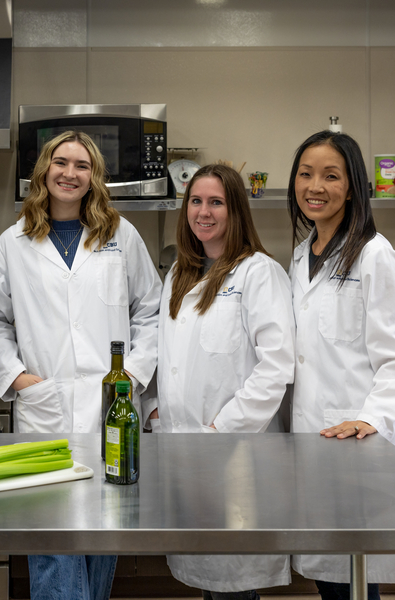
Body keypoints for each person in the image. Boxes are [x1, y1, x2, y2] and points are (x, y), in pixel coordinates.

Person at [0, 130, 161, 600]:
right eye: (61, 162)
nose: (70, 173)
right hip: (45, 404)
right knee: (53, 533)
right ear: (44, 170)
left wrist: (132, 377)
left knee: (105, 530)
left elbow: (151, 310)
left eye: (82, 165)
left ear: (93, 176)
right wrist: (18, 379)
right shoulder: (12, 242)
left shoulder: (122, 236)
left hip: (112, 409)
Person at [144, 164, 295, 598]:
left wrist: (221, 432)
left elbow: (275, 367)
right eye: (196, 201)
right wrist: (154, 408)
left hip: (234, 455)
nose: (203, 212)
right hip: (183, 448)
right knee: (208, 578)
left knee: (234, 580)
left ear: (236, 211)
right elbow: (165, 355)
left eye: (216, 202)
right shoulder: (179, 274)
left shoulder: (258, 273)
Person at [286, 131, 395, 599]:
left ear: (353, 185)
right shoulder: (302, 253)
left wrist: (369, 417)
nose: (315, 186)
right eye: (306, 174)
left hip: (356, 438)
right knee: (332, 577)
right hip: (312, 436)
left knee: (355, 579)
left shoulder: (374, 254)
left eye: (331, 175)